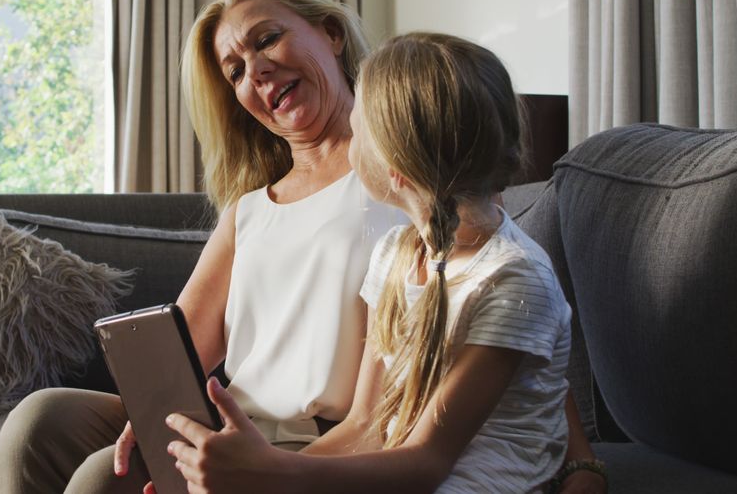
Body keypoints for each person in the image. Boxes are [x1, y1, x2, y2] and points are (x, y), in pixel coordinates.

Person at [0, 0, 604, 494]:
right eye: (234, 70)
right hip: (246, 418)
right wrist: (154, 413)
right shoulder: (255, 210)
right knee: (38, 421)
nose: (256, 69)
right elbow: (169, 357)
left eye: (268, 39)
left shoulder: (417, 182)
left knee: (106, 478)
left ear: (331, 34)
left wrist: (579, 459)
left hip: (320, 435)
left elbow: (511, 319)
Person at [164, 32, 601, 493]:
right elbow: (366, 426)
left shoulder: (513, 278)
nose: (348, 130)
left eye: (359, 122)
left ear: (395, 169)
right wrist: (256, 479)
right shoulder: (396, 253)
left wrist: (269, 474)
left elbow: (427, 464)